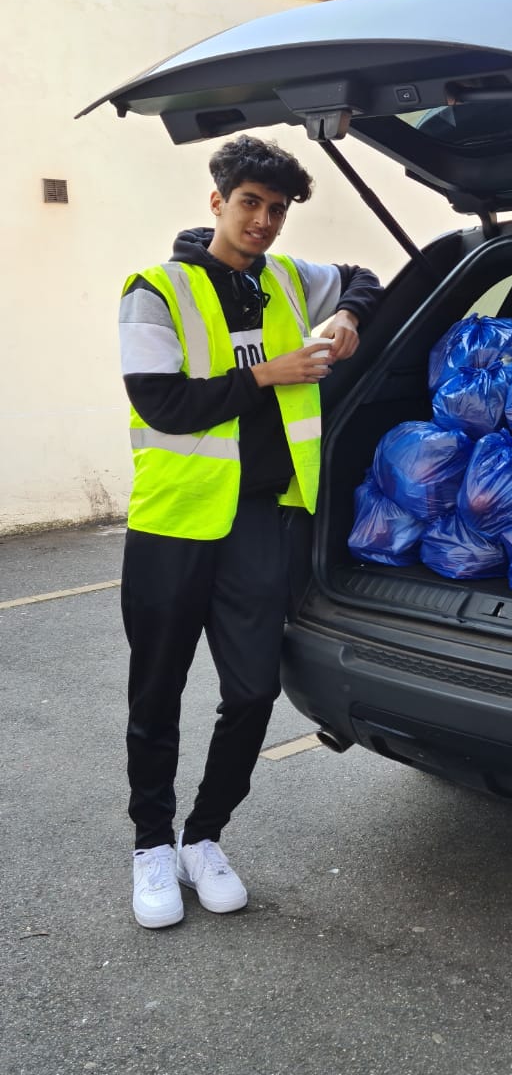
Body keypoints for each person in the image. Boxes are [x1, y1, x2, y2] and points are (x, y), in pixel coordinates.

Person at [119, 135, 382, 930]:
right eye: (249, 204)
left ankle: (205, 835)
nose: (263, 221)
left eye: (276, 209)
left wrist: (346, 316)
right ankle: (152, 845)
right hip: (173, 524)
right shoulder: (154, 290)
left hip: (262, 520)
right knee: (156, 693)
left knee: (254, 691)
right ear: (217, 202)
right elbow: (163, 403)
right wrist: (271, 374)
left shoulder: (291, 281)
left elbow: (368, 278)